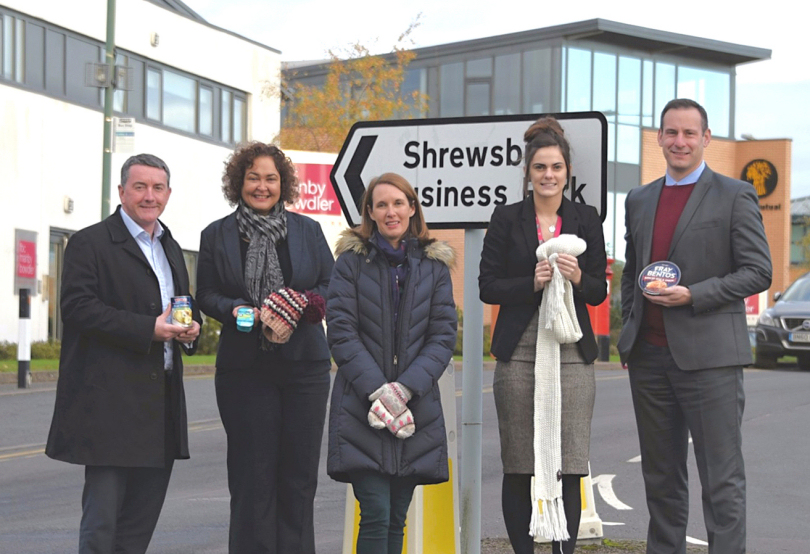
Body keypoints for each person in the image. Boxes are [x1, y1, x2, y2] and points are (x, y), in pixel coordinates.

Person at [617, 99, 772, 554]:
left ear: (706, 139)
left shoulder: (734, 194)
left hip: (711, 361)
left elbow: (758, 271)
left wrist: (694, 295)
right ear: (660, 138)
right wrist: (632, 325)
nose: (679, 141)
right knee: (661, 480)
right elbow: (633, 272)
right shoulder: (640, 198)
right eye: (671, 133)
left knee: (721, 479)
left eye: (689, 133)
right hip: (650, 359)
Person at [46, 153, 202, 554]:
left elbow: (180, 304)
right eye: (140, 187)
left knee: (136, 533)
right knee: (102, 531)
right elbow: (78, 309)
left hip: (160, 408)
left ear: (168, 193)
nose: (149, 196)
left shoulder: (170, 247)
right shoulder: (89, 243)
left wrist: (190, 332)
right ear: (121, 191)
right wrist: (148, 329)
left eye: (158, 188)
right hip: (109, 409)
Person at [196, 142, 334, 554]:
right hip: (244, 370)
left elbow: (331, 285)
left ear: (283, 184)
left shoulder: (307, 230)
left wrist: (302, 305)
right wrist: (235, 308)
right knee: (251, 477)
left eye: (270, 178)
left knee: (298, 477)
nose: (262, 186)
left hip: (304, 369)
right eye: (253, 177)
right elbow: (205, 292)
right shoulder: (217, 234)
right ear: (238, 182)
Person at [479, 118, 607, 554]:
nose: (548, 175)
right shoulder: (506, 218)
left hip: (571, 350)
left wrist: (576, 278)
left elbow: (599, 289)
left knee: (569, 466)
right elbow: (487, 285)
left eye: (555, 167)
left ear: (567, 171)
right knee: (519, 465)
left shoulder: (586, 218)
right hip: (518, 350)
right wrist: (529, 284)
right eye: (539, 167)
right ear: (527, 173)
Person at [326, 173, 457, 554]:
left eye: (398, 203)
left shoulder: (433, 266)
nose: (391, 211)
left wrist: (404, 389)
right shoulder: (350, 263)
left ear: (412, 208)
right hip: (361, 404)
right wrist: (379, 390)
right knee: (377, 512)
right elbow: (341, 331)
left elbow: (443, 336)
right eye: (381, 204)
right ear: (369, 212)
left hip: (415, 406)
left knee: (398, 516)